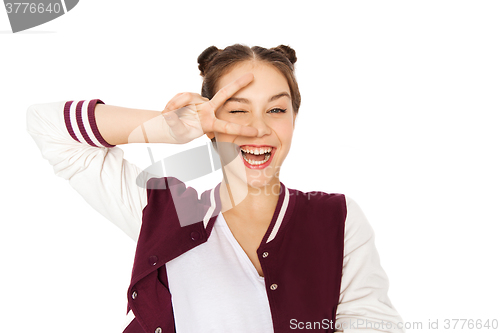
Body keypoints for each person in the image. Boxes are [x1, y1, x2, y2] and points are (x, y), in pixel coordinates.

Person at [27, 44, 405, 333]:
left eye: (276, 110)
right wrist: (167, 128)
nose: (258, 128)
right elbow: (46, 126)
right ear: (208, 123)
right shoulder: (165, 213)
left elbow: (369, 321)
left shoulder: (336, 218)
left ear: (294, 118)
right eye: (237, 111)